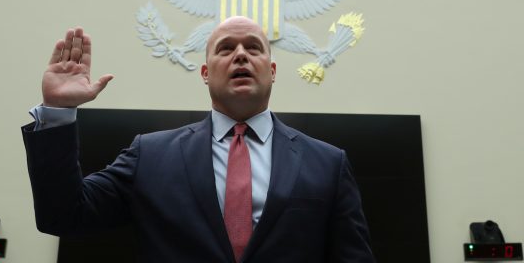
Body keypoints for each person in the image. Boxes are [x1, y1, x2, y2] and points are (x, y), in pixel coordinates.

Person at [22, 17, 375, 262]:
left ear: (272, 71)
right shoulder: (150, 155)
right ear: (205, 73)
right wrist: (58, 112)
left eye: (254, 48)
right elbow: (63, 216)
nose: (240, 55)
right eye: (226, 48)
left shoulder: (328, 163)